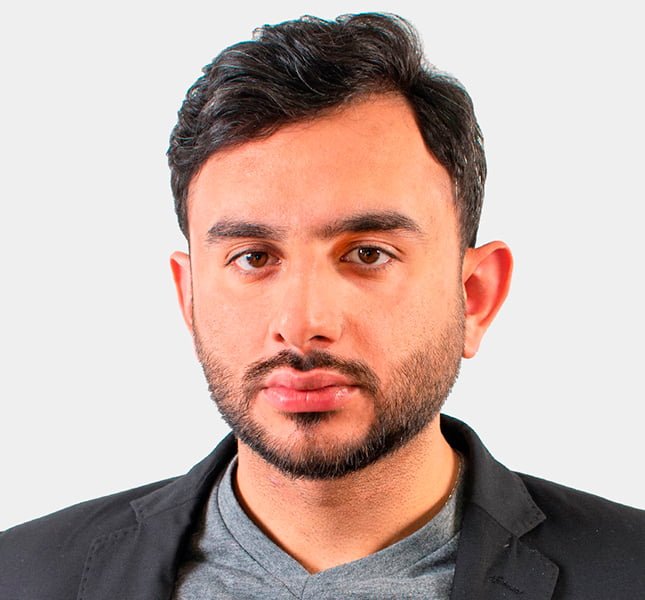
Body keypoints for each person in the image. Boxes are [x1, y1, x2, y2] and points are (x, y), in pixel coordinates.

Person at [1, 12, 643, 599]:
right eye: (253, 257)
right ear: (189, 296)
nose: (302, 324)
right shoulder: (21, 576)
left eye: (367, 253)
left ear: (474, 296)